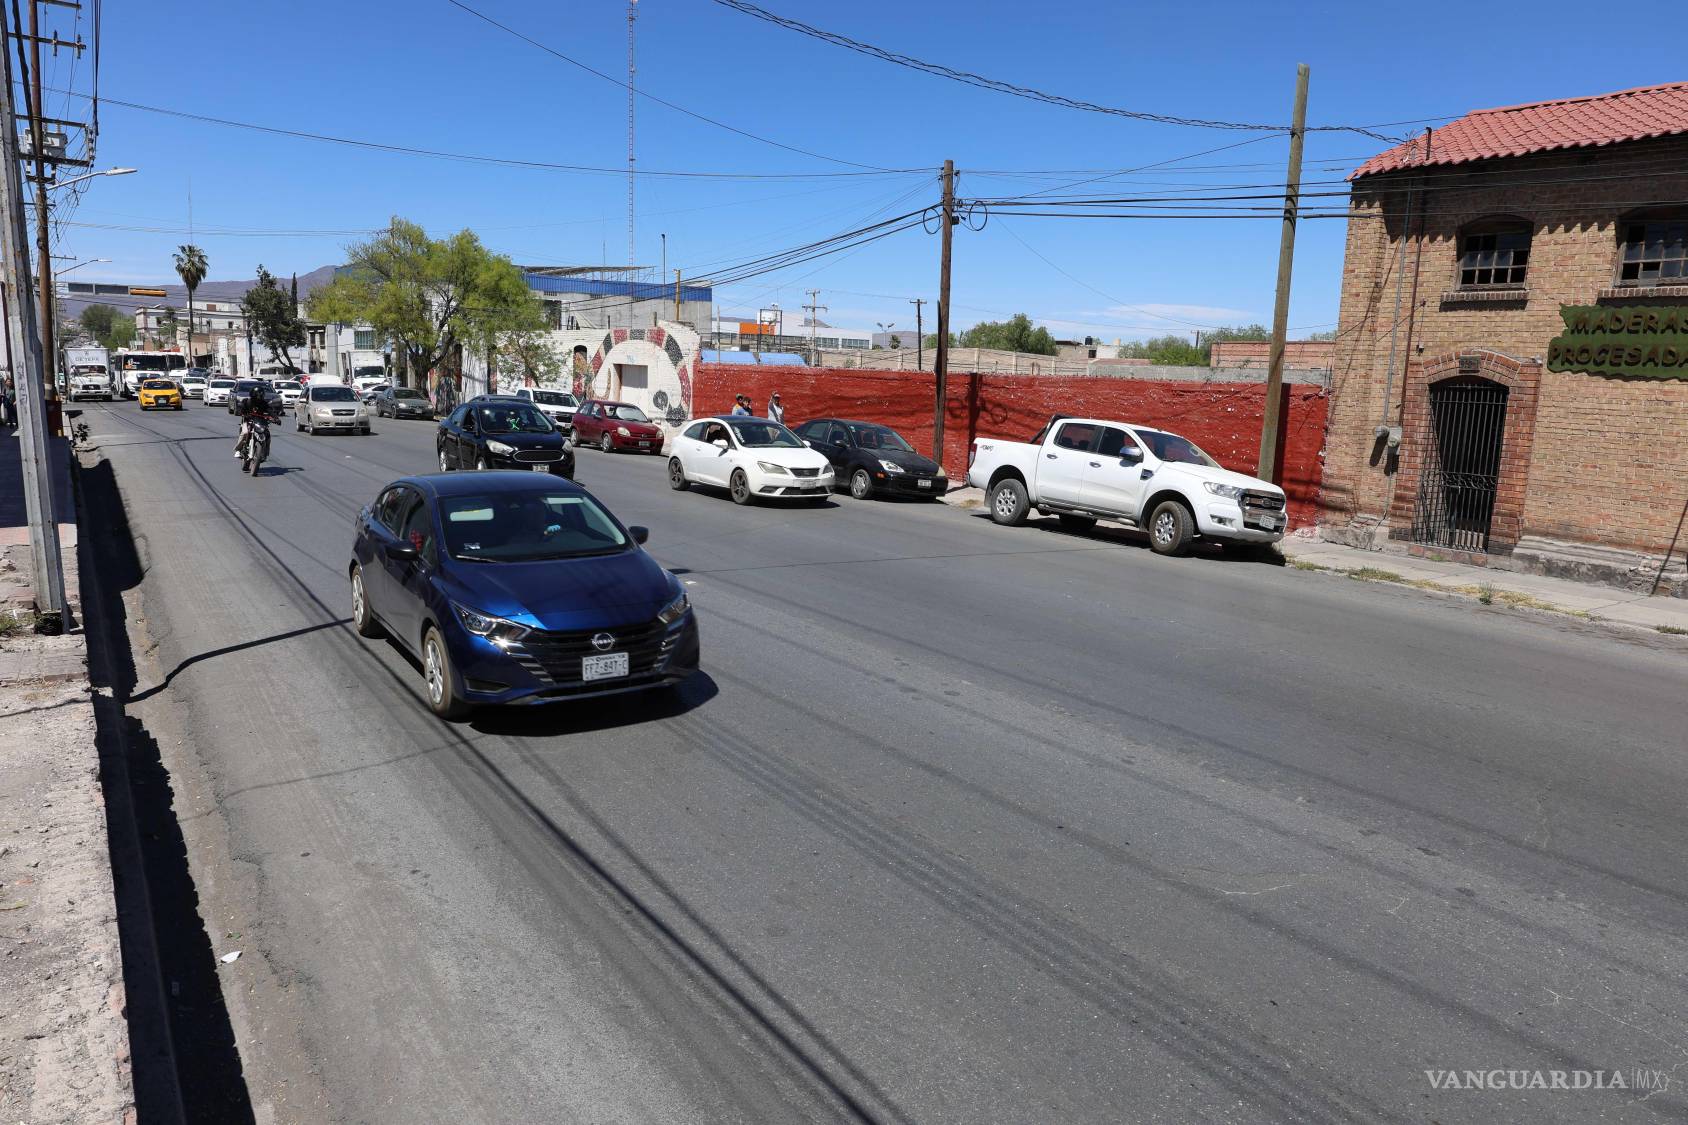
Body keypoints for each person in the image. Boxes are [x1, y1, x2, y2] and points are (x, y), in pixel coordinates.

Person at [234, 382, 275, 459]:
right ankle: (238, 450)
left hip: (259, 422)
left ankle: (265, 453)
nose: (259, 397)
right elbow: (241, 410)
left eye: (261, 395)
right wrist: (243, 413)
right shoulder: (247, 401)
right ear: (253, 394)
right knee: (245, 432)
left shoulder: (263, 403)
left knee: (267, 434)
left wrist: (276, 418)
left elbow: (270, 411)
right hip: (248, 421)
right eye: (258, 395)